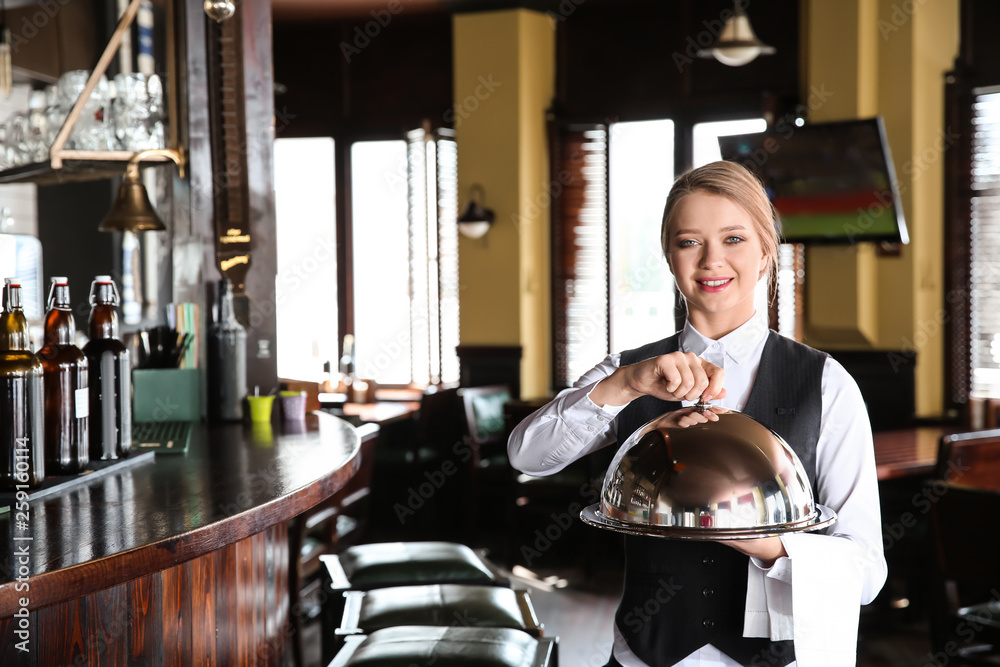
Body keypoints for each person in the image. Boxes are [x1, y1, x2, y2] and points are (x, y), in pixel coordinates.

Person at [508, 161, 887, 666]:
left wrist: (767, 544)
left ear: (765, 250)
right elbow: (527, 458)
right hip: (646, 653)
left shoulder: (825, 382)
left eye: (734, 239)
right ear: (669, 257)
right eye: (690, 242)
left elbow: (866, 570)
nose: (712, 261)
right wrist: (625, 384)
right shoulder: (627, 371)